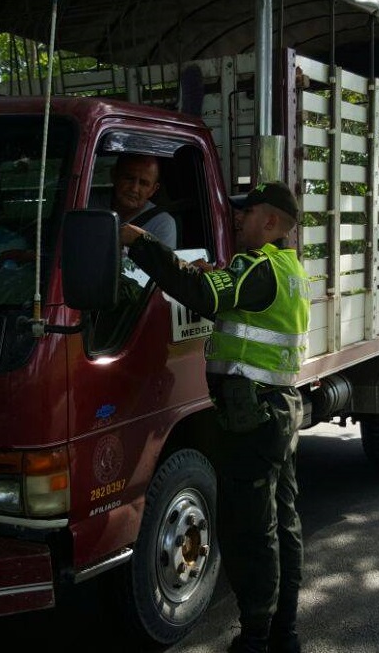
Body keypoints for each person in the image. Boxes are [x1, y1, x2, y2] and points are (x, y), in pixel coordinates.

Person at [120, 182, 310, 653]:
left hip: (254, 417)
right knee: (283, 526)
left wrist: (140, 242)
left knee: (251, 532)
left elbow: (201, 294)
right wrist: (217, 277)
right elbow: (232, 296)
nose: (237, 219)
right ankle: (284, 633)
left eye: (247, 212)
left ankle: (256, 637)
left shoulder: (256, 265)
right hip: (279, 410)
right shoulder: (289, 269)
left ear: (270, 221)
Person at [95, 153, 177, 247]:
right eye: (129, 178)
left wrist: (141, 240)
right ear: (114, 175)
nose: (134, 189)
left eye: (143, 183)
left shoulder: (162, 223)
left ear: (153, 190)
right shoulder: (87, 205)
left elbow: (164, 257)